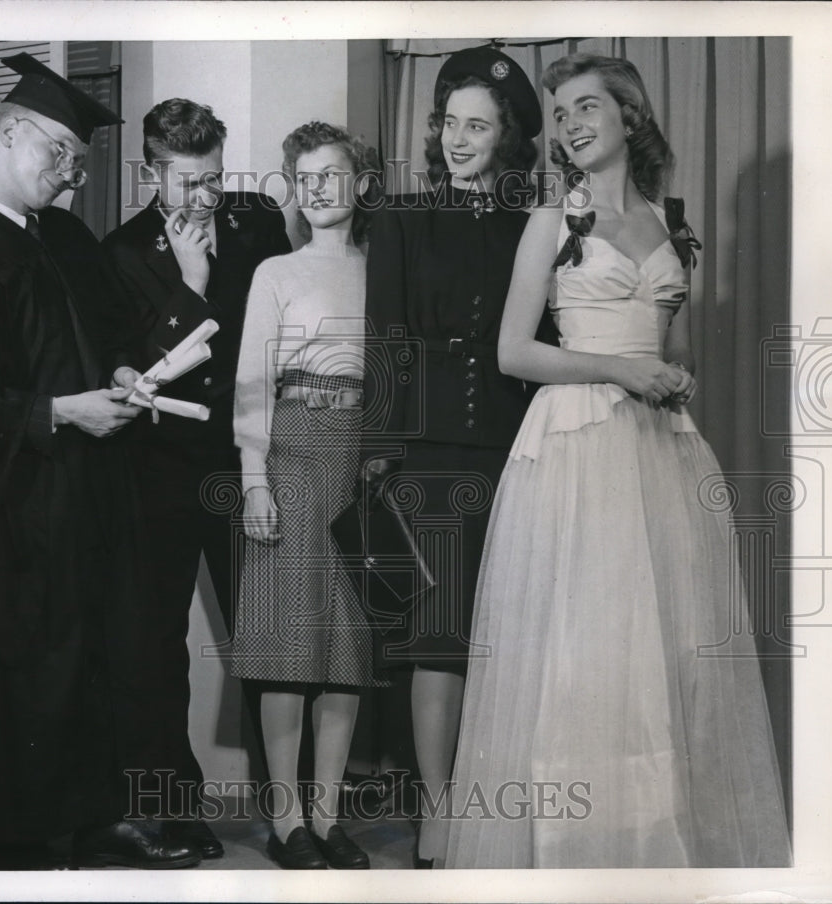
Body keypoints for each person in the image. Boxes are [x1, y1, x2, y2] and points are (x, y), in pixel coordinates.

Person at [444, 53, 792, 868]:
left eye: (586, 106)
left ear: (628, 117)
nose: (570, 124)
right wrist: (618, 369)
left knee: (666, 649)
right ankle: (577, 847)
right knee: (586, 647)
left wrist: (675, 371)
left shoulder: (669, 225)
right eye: (561, 112)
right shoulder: (552, 220)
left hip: (662, 448)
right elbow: (512, 352)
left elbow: (674, 346)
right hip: (577, 441)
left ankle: (654, 844)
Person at [0, 53, 201, 870]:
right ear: (8, 135)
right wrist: (64, 411)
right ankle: (18, 844)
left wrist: (124, 372)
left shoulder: (63, 238)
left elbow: (107, 338)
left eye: (77, 161)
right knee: (26, 675)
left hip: (85, 498)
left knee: (94, 656)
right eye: (58, 153)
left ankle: (98, 821)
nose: (70, 175)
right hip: (11, 513)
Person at [361, 45, 548, 866]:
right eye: (450, 123)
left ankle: (500, 805)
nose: (460, 139)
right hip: (430, 454)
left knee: (507, 625)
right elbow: (384, 337)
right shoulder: (401, 216)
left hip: (517, 444)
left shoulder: (535, 223)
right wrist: (380, 453)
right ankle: (437, 808)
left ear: (507, 137)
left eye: (479, 126)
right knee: (437, 635)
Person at [101, 98, 291, 859]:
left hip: (250, 461)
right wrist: (190, 281)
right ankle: (175, 810)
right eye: (187, 181)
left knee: (272, 635)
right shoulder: (120, 251)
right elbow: (131, 366)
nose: (206, 195)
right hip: (161, 472)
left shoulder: (259, 220)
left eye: (214, 177)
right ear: (152, 171)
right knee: (156, 647)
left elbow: (284, 326)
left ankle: (292, 812)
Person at [229, 122, 385, 870]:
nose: (317, 188)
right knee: (288, 643)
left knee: (347, 647)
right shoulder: (276, 272)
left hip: (359, 458)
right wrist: (253, 479)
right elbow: (252, 379)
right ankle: (286, 818)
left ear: (363, 183)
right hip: (291, 450)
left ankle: (328, 816)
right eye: (304, 177)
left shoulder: (383, 270)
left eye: (332, 174)